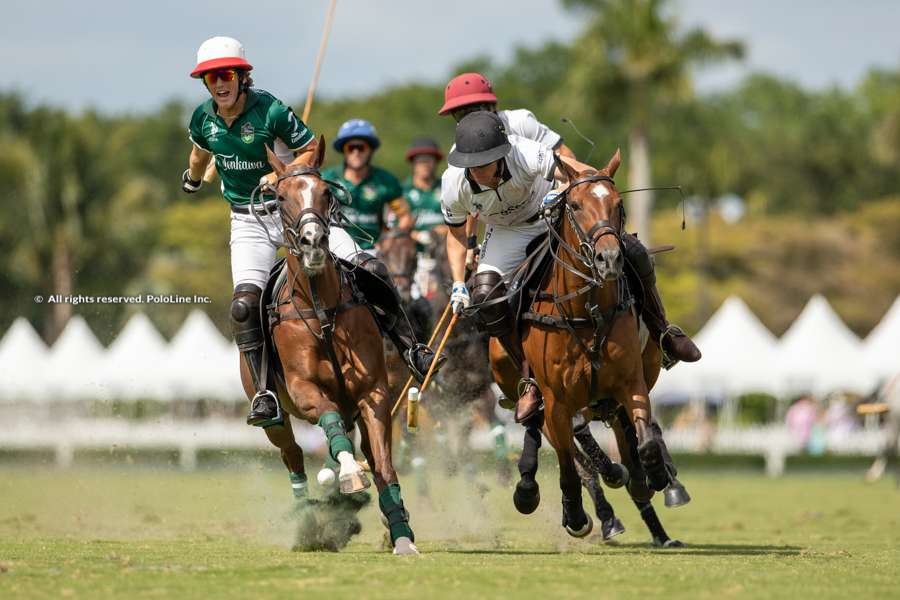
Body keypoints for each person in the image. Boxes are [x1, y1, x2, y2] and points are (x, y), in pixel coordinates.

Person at [181, 38, 441, 428]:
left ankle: (411, 351)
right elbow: (201, 151)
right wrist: (194, 176)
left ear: (242, 76)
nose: (220, 83)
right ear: (205, 82)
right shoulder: (204, 118)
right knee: (243, 306)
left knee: (371, 266)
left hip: (296, 213)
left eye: (227, 74)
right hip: (249, 222)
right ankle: (267, 393)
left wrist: (282, 174)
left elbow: (308, 151)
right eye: (211, 77)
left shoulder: (270, 110)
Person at [439, 72, 700, 371]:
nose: (468, 118)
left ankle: (663, 332)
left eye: (475, 109)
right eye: (460, 113)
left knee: (632, 250)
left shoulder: (522, 136)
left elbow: (568, 161)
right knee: (484, 296)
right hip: (507, 230)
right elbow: (458, 226)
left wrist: (567, 192)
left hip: (553, 207)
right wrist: (459, 281)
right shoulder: (457, 167)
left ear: (492, 106)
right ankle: (528, 376)